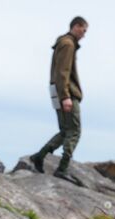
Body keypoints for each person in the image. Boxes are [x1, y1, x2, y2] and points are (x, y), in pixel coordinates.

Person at [30, 16, 88, 175]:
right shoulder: (68, 44)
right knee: (74, 131)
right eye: (84, 30)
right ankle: (62, 168)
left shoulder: (64, 43)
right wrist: (66, 97)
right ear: (76, 26)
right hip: (65, 93)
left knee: (65, 131)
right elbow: (62, 72)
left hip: (56, 92)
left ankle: (39, 157)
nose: (84, 34)